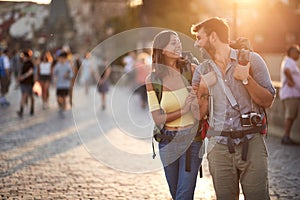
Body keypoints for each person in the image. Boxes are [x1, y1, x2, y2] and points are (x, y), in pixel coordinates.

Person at [191, 17, 276, 200]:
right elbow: (198, 114)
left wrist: (246, 79)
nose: (197, 44)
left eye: (200, 38)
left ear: (213, 37)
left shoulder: (252, 60)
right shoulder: (201, 70)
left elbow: (268, 101)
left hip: (251, 143)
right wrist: (204, 89)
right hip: (219, 148)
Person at [146, 30, 204, 200]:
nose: (178, 45)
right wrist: (182, 111)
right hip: (167, 142)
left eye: (178, 41)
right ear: (161, 49)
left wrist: (196, 101)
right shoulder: (153, 80)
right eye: (173, 42)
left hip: (192, 141)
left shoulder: (191, 70)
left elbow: (206, 98)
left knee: (183, 196)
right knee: (176, 194)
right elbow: (157, 118)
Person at [279, 44, 300, 145]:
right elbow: (286, 70)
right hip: (290, 94)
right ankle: (286, 137)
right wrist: (291, 81)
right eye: (297, 52)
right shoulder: (289, 61)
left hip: (290, 94)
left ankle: (286, 136)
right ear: (292, 52)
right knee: (290, 116)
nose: (298, 54)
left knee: (291, 116)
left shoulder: (288, 61)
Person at [53, 51, 74, 118]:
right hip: (59, 84)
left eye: (63, 58)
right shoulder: (57, 65)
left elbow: (72, 74)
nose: (61, 59)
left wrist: (67, 75)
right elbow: (54, 73)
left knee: (64, 97)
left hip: (66, 84)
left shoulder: (68, 65)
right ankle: (61, 106)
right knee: (59, 97)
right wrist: (54, 79)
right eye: (60, 58)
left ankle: (63, 107)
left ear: (65, 59)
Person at [17, 50, 35, 117]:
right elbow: (20, 72)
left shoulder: (30, 63)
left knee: (30, 96)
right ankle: (21, 110)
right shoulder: (22, 63)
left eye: (23, 56)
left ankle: (31, 108)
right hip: (23, 82)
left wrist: (23, 77)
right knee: (23, 95)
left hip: (29, 82)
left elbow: (31, 72)